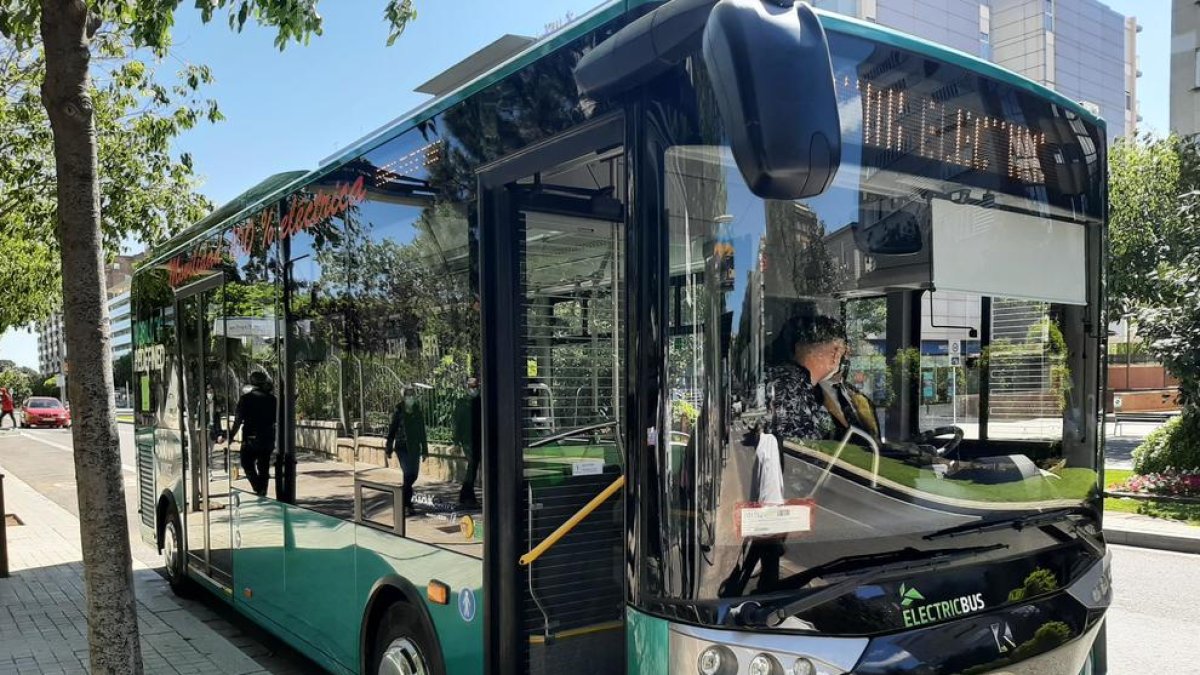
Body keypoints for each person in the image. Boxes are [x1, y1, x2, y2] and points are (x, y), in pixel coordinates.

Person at [766, 314, 847, 443]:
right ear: (835, 353)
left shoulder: (781, 378)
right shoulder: (791, 388)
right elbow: (808, 448)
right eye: (842, 352)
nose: (840, 359)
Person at [221, 371, 276, 497]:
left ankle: (258, 488)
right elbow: (277, 418)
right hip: (267, 437)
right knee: (264, 465)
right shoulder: (272, 399)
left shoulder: (246, 399)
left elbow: (238, 420)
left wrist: (231, 436)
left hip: (251, 437)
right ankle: (263, 489)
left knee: (247, 463)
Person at [386, 387, 428, 512]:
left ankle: (403, 496)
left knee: (413, 475)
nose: (410, 397)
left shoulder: (417, 411)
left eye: (412, 395)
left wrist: (425, 449)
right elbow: (392, 430)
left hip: (415, 447)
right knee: (408, 473)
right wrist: (388, 447)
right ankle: (407, 504)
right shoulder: (398, 412)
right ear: (403, 397)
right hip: (402, 447)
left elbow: (422, 431)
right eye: (407, 395)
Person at [453, 376, 482, 507]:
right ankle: (466, 495)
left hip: (479, 438)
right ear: (467, 387)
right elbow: (457, 423)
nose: (474, 389)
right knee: (473, 465)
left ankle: (466, 496)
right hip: (467, 440)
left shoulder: (481, 401)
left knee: (474, 466)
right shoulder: (462, 402)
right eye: (471, 387)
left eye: (475, 386)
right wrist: (456, 442)